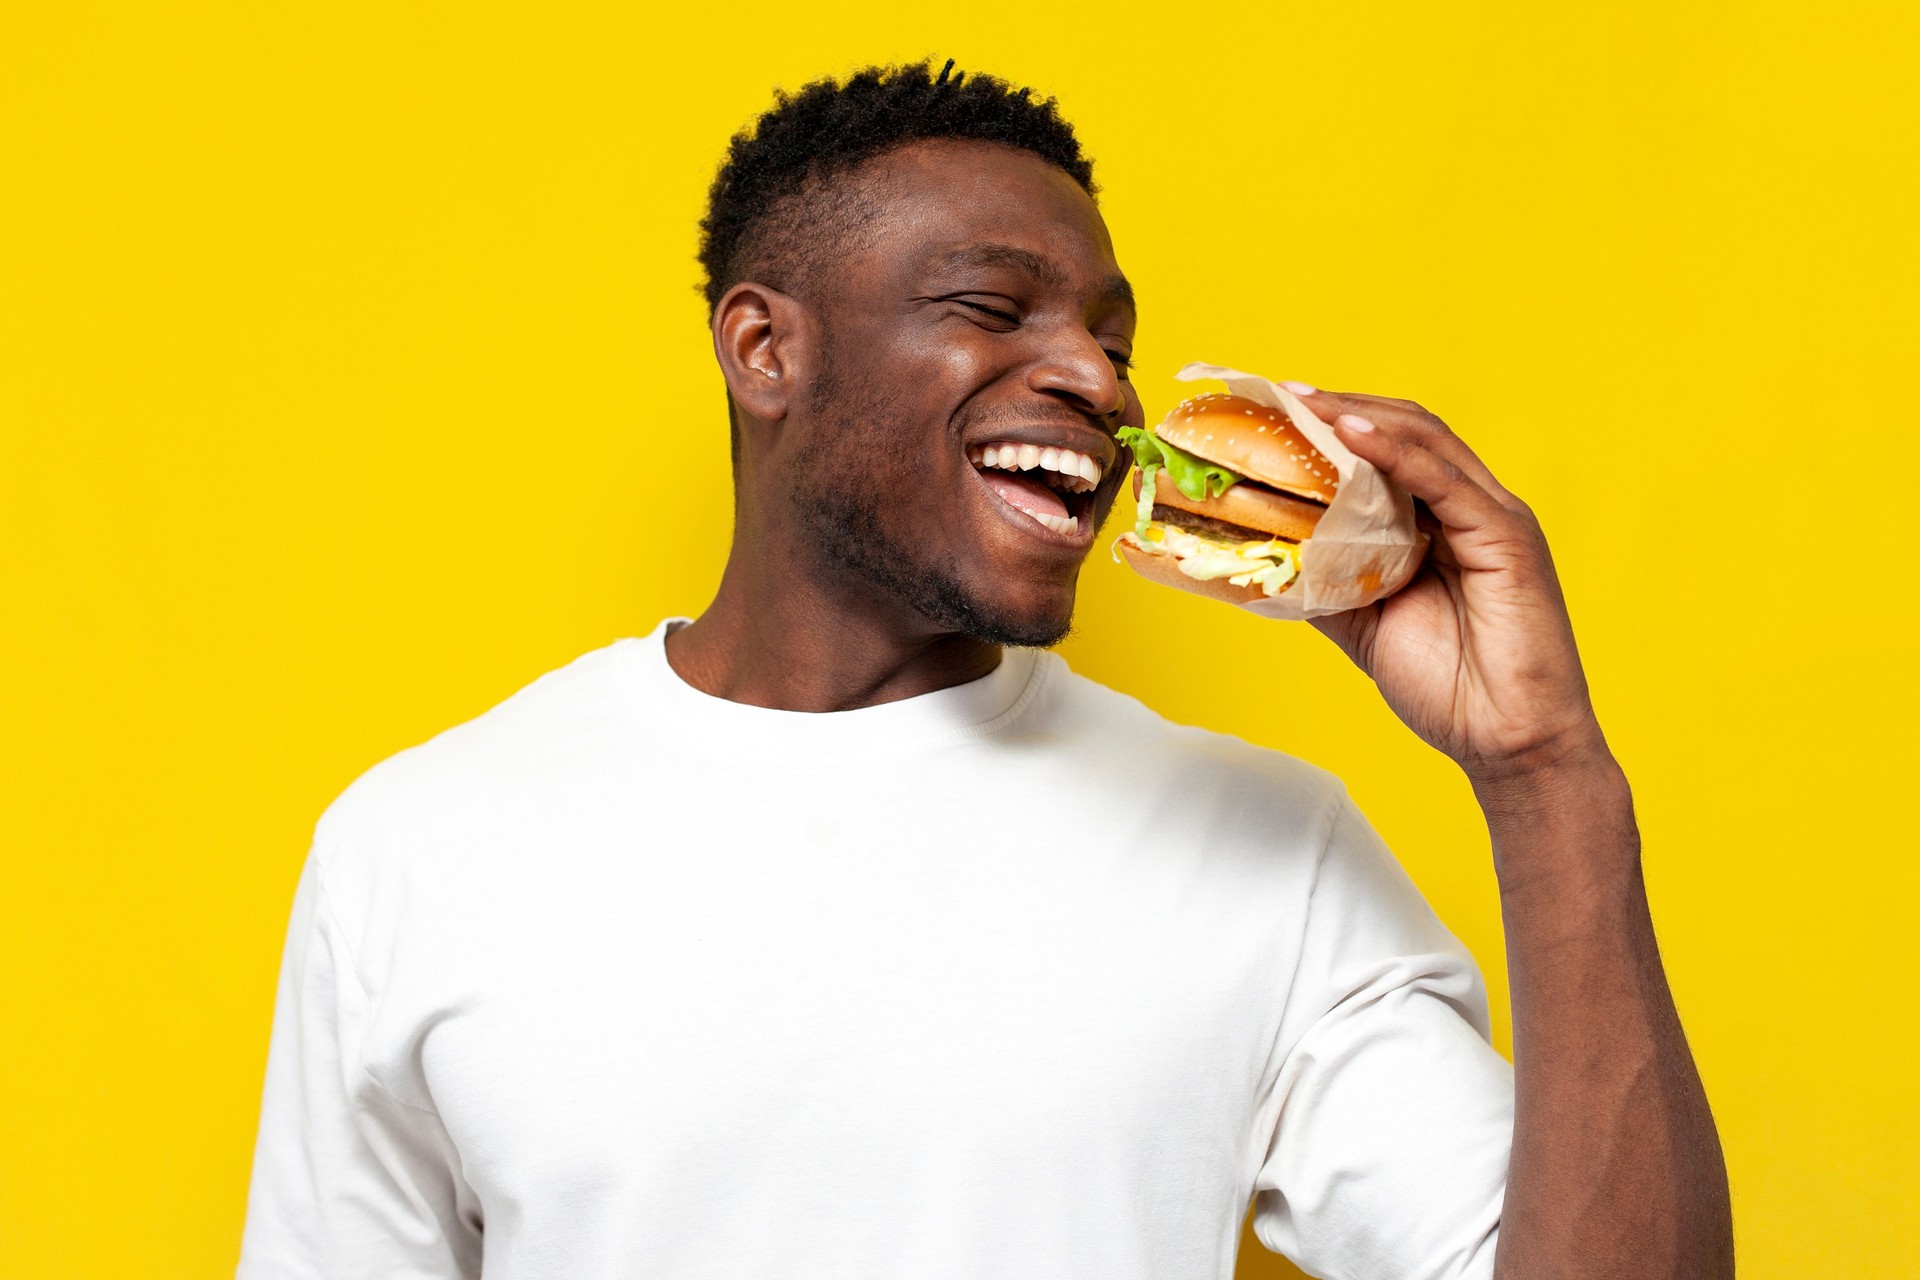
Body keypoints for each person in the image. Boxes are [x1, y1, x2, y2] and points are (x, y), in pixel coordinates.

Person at [237, 61, 1733, 1280]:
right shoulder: (420, 847)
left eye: (1108, 330)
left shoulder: (1267, 856)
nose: (1096, 375)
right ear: (766, 349)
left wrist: (1545, 775)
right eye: (988, 307)